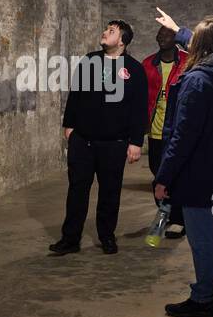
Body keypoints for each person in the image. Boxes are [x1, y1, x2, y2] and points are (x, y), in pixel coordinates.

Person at [152, 15, 213, 317]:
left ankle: (203, 298)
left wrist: (164, 176)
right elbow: (207, 44)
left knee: (202, 238)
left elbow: (183, 136)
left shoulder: (196, 80)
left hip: (199, 172)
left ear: (199, 46)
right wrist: (179, 29)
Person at [49, 19, 148, 255]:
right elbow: (76, 94)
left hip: (114, 143)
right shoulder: (90, 60)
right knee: (77, 191)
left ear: (122, 41)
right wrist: (70, 125)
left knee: (109, 192)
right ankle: (70, 239)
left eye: (111, 31)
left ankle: (107, 237)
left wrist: (136, 141)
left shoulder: (134, 69)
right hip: (83, 140)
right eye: (106, 29)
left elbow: (139, 108)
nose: (105, 32)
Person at [143, 25, 189, 238]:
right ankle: (166, 213)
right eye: (159, 34)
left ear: (176, 38)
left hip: (178, 130)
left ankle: (178, 219)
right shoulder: (148, 64)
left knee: (176, 176)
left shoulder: (188, 62)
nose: (162, 37)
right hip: (155, 131)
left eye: (167, 34)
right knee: (157, 174)